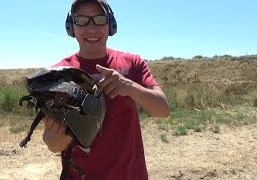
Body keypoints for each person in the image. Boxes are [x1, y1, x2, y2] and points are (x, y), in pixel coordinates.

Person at [42, 0, 170, 179]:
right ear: (71, 27)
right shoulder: (59, 74)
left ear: (111, 24)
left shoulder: (132, 64)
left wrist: (130, 87)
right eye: (81, 20)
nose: (91, 28)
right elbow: (53, 144)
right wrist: (59, 135)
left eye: (99, 19)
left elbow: (162, 109)